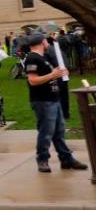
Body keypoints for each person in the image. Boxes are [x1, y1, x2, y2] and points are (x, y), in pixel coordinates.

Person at [24, 33, 88, 172]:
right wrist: (52, 74)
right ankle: (42, 160)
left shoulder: (43, 58)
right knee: (46, 132)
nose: (48, 43)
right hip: (43, 101)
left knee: (59, 131)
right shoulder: (32, 58)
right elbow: (33, 80)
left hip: (54, 99)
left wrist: (59, 73)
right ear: (42, 42)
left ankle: (66, 159)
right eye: (46, 41)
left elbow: (50, 76)